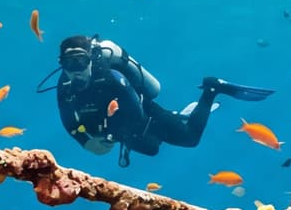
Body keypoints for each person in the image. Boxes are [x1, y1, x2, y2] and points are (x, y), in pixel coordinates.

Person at [50, 36, 271, 163]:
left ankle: (212, 88)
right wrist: (86, 142)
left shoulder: (112, 78)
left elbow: (135, 112)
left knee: (190, 139)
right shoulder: (65, 85)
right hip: (118, 129)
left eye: (79, 62)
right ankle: (179, 116)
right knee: (152, 149)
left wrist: (112, 135)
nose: (75, 71)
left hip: (147, 115)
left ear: (90, 60)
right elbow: (68, 121)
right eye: (69, 64)